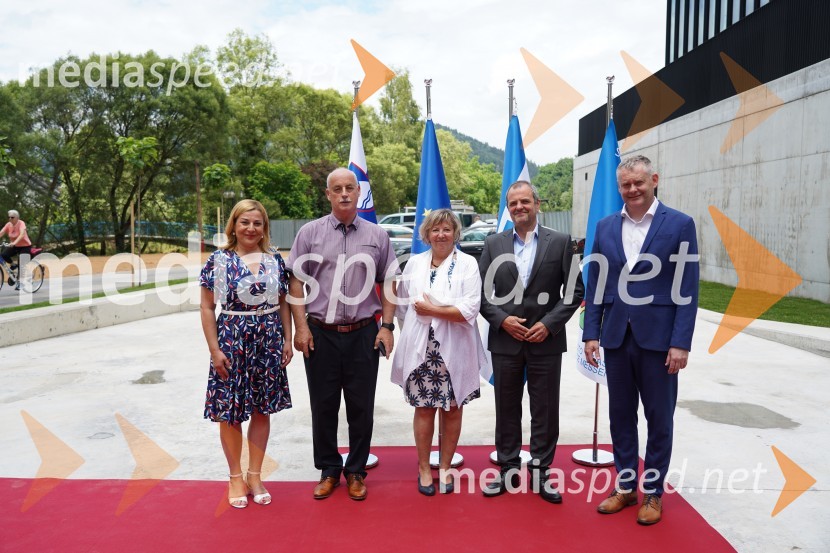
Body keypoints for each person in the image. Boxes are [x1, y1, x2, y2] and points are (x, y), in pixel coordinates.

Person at [583, 154, 699, 525]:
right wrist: (591, 332)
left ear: (654, 180)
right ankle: (625, 486)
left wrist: (681, 342)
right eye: (625, 184)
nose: (631, 190)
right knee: (620, 416)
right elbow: (598, 283)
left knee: (659, 418)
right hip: (616, 337)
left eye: (638, 182)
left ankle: (653, 493)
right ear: (618, 187)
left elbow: (687, 287)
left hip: (660, 341)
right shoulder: (604, 227)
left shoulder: (680, 224)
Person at [287, 167, 398, 501]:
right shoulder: (309, 233)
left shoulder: (377, 235)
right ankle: (329, 470)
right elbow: (294, 281)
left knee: (361, 407)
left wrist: (388, 327)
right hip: (321, 333)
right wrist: (301, 327)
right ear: (328, 194)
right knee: (323, 406)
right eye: (338, 189)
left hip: (364, 333)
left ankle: (356, 472)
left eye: (351, 187)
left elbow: (391, 282)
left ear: (359, 192)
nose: (345, 193)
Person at [478, 181, 583, 503]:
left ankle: (541, 473)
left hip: (545, 342)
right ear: (508, 209)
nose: (519, 207)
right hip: (505, 341)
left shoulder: (562, 242)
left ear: (537, 204)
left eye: (525, 201)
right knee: (506, 409)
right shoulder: (493, 243)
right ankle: (508, 470)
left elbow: (575, 291)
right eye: (513, 204)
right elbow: (479, 294)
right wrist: (502, 320)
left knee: (545, 410)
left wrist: (548, 325)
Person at [199, 199, 293, 509]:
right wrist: (215, 350)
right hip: (232, 338)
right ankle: (235, 476)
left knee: (262, 409)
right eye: (245, 222)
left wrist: (287, 340)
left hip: (267, 339)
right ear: (234, 226)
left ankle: (255, 474)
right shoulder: (219, 260)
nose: (251, 228)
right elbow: (207, 307)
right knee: (231, 411)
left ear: (264, 227)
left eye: (257, 223)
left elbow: (284, 303)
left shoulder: (274, 259)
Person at [391, 209, 489, 496]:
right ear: (426, 234)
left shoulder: (468, 264)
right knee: (423, 408)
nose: (441, 234)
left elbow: (469, 309)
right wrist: (441, 310)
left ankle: (445, 467)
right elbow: (403, 308)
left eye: (447, 229)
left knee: (453, 408)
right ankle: (424, 468)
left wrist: (432, 309)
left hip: (454, 348)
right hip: (422, 347)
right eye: (435, 230)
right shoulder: (414, 264)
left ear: (456, 233)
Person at [1, 210, 33, 290]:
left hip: (25, 246)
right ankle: (13, 265)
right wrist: (14, 244)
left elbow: (22, 234)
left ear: (17, 218)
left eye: (12, 217)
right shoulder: (8, 225)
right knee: (4, 255)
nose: (10, 219)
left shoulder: (21, 223)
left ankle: (21, 282)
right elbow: (1, 233)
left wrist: (14, 242)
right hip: (14, 246)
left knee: (22, 262)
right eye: (9, 217)